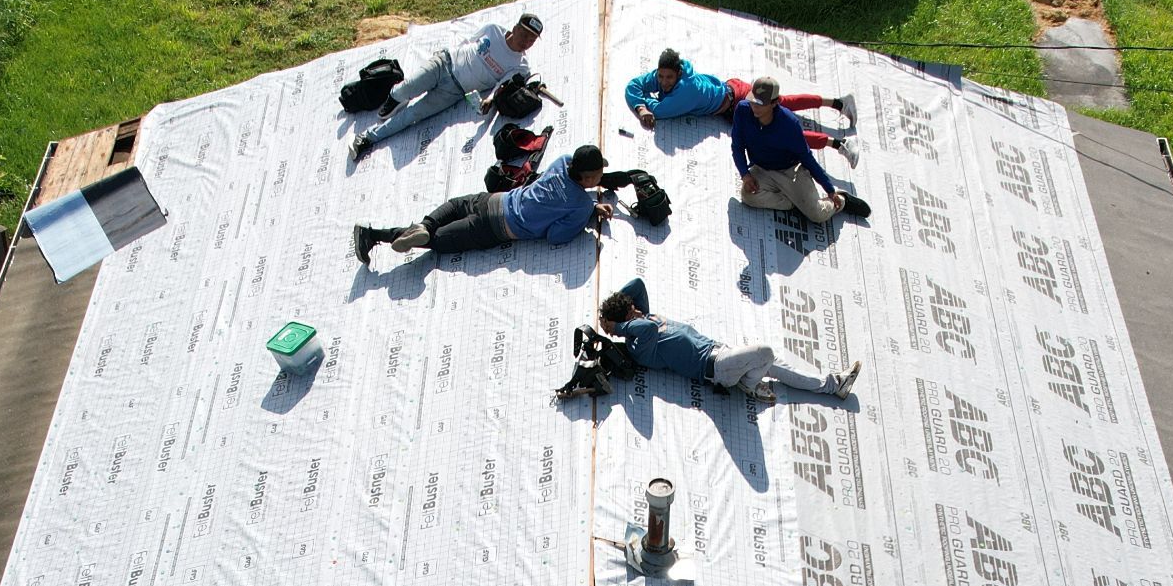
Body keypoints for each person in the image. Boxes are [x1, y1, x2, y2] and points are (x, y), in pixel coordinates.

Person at [596, 277, 858, 400]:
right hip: (716, 368)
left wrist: (614, 313)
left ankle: (833, 385)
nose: (638, 308)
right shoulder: (639, 344)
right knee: (764, 352)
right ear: (628, 320)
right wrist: (617, 327)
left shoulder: (644, 316)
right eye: (632, 311)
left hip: (722, 352)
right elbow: (645, 329)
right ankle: (749, 385)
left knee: (777, 365)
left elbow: (638, 284)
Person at [351, 14, 562, 160]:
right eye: (524, 34)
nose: (526, 41)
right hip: (444, 64)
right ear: (515, 28)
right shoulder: (493, 30)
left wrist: (488, 101)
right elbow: (467, 41)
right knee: (404, 89)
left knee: (412, 116)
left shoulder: (521, 66)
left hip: (453, 92)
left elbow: (501, 86)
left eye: (532, 39)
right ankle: (395, 99)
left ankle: (368, 138)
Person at [354, 144, 611, 263]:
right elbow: (556, 236)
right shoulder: (579, 206)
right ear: (588, 178)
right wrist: (586, 214)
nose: (600, 180)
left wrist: (585, 206)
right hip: (495, 228)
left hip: (494, 200)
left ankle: (424, 224)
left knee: (454, 206)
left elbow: (563, 194)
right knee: (437, 240)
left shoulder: (564, 161)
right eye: (598, 176)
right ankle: (374, 235)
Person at [625, 48, 854, 153]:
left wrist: (643, 106)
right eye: (660, 76)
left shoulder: (685, 91)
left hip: (738, 104)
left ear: (678, 74)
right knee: (785, 102)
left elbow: (661, 110)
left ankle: (838, 144)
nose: (663, 82)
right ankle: (838, 103)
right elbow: (633, 86)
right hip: (734, 88)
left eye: (668, 78)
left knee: (778, 132)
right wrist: (642, 104)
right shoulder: (677, 73)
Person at [730, 77, 848, 223]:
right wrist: (745, 175)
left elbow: (807, 158)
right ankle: (793, 202)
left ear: (775, 102)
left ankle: (842, 199)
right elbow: (737, 146)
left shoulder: (789, 124)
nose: (754, 106)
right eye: (753, 100)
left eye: (760, 103)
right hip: (761, 168)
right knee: (748, 196)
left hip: (790, 171)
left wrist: (830, 190)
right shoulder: (742, 110)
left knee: (817, 215)